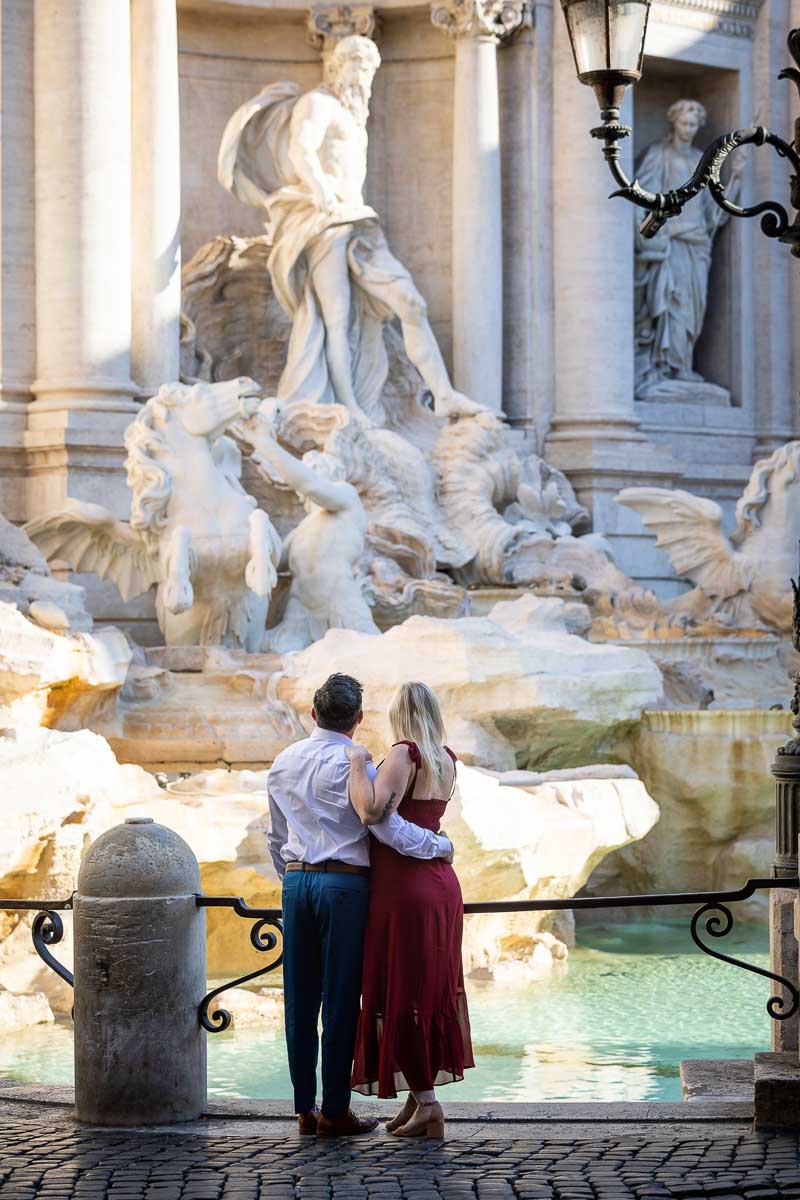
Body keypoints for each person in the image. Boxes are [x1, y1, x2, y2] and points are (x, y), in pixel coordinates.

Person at [218, 35, 482, 421]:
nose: (362, 77)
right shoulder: (318, 103)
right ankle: (348, 407)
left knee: (411, 302)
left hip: (358, 223)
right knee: (335, 319)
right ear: (337, 67)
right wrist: (320, 187)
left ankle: (443, 394)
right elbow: (301, 148)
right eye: (356, 67)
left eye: (368, 70)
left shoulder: (353, 115)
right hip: (324, 221)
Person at [267, 673, 455, 1137]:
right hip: (346, 886)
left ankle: (303, 1110)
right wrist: (439, 845)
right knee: (340, 1000)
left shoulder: (284, 760)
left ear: (313, 714)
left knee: (300, 1000)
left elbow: (274, 835)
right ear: (358, 719)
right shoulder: (360, 764)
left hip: (295, 884)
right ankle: (334, 1110)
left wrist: (293, 877)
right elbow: (383, 826)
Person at [348, 681, 474, 1139]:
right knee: (427, 996)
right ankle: (414, 1101)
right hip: (441, 889)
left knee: (401, 996)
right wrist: (441, 845)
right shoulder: (446, 759)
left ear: (398, 715)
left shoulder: (404, 753)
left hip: (404, 889)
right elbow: (420, 818)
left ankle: (428, 1105)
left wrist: (359, 766)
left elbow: (380, 820)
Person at [634, 98, 743, 399]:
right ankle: (666, 366)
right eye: (684, 123)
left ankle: (683, 365)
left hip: (698, 245)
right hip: (671, 244)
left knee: (694, 309)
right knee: (672, 305)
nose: (689, 129)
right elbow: (643, 199)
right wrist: (652, 234)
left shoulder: (703, 159)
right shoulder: (659, 155)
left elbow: (715, 211)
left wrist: (737, 177)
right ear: (674, 122)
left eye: (694, 125)